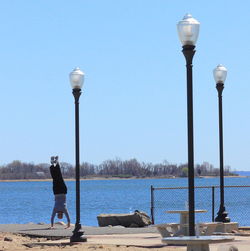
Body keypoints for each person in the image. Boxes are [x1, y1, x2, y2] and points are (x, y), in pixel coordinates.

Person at [49, 156, 70, 229]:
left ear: (58, 215)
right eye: (61, 216)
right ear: (62, 215)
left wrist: (51, 226)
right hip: (63, 191)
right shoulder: (64, 210)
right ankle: (56, 163)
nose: (60, 216)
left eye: (59, 216)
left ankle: (52, 164)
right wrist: (68, 226)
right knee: (59, 177)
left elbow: (52, 217)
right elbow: (68, 218)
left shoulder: (55, 209)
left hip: (57, 192)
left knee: (54, 178)